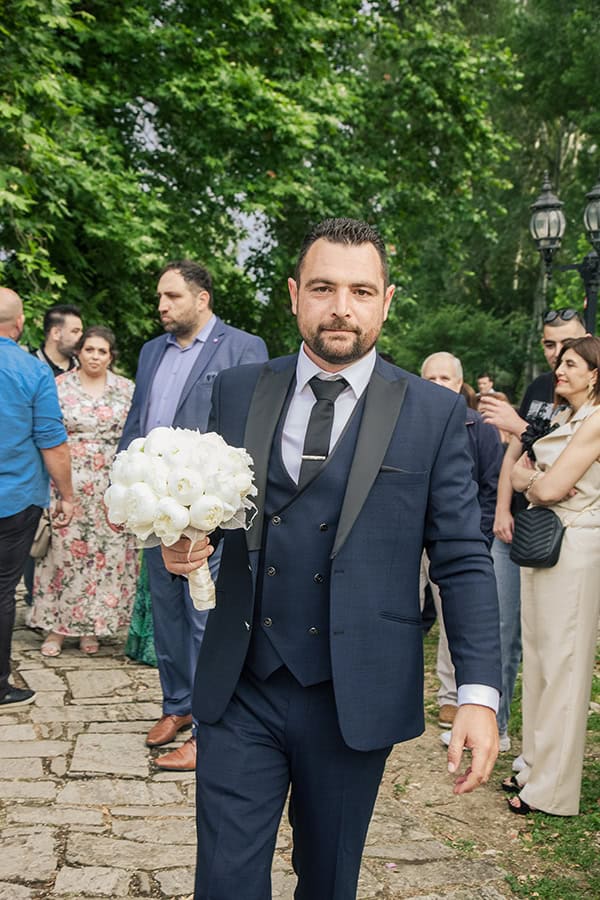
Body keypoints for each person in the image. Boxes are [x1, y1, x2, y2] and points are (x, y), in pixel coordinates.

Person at [163, 218, 502, 900]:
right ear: (294, 295)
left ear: (386, 300)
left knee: (328, 880)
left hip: (355, 691)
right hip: (242, 684)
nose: (341, 307)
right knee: (225, 881)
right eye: (322, 288)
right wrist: (183, 543)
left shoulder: (434, 414)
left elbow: (463, 558)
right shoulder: (237, 390)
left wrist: (479, 694)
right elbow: (208, 510)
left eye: (360, 290)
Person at [118, 259, 269, 771]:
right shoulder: (149, 352)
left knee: (207, 616)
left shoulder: (245, 348)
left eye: (172, 297)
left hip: (208, 509)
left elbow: (250, 430)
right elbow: (138, 421)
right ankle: (176, 705)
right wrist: (122, 488)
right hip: (155, 506)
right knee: (166, 610)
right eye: (160, 298)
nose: (162, 306)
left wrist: (227, 501)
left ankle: (209, 730)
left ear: (202, 298)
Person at [479, 309, 587, 767]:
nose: (556, 357)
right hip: (517, 526)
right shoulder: (543, 389)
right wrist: (505, 506)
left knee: (551, 649)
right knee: (503, 628)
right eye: (548, 345)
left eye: (566, 346)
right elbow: (517, 457)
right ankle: (500, 729)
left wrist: (519, 432)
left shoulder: (591, 407)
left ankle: (544, 757)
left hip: (563, 537)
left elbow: (549, 478)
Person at [506, 336, 600, 816]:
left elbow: (549, 484)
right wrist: (535, 483)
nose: (558, 371)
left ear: (594, 374)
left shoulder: (598, 420)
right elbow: (521, 475)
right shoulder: (565, 419)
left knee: (564, 663)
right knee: (539, 657)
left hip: (577, 547)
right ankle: (532, 764)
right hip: (546, 543)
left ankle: (553, 790)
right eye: (559, 362)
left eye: (569, 363)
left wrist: (536, 483)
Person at [30, 326, 137, 656]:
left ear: (110, 356)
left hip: (111, 484)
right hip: (68, 481)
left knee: (105, 558)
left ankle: (93, 627)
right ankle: (57, 629)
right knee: (63, 556)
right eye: (89, 349)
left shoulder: (126, 389)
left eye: (102, 351)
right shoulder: (59, 386)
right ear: (78, 352)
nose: (95, 355)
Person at [420, 352, 503, 734]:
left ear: (460, 384)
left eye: (445, 379)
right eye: (430, 378)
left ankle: (452, 696)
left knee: (454, 615)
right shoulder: (406, 425)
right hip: (408, 541)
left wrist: (478, 535)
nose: (437, 385)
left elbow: (490, 486)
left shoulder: (481, 430)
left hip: (455, 539)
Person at [0, 288, 74, 710]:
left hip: (15, 494)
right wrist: (66, 495)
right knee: (2, 590)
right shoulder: (32, 371)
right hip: (14, 498)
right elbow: (52, 441)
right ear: (20, 324)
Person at [32, 304, 83, 376]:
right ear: (55, 333)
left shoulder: (83, 365)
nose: (81, 337)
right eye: (75, 331)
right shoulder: (30, 367)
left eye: (81, 331)